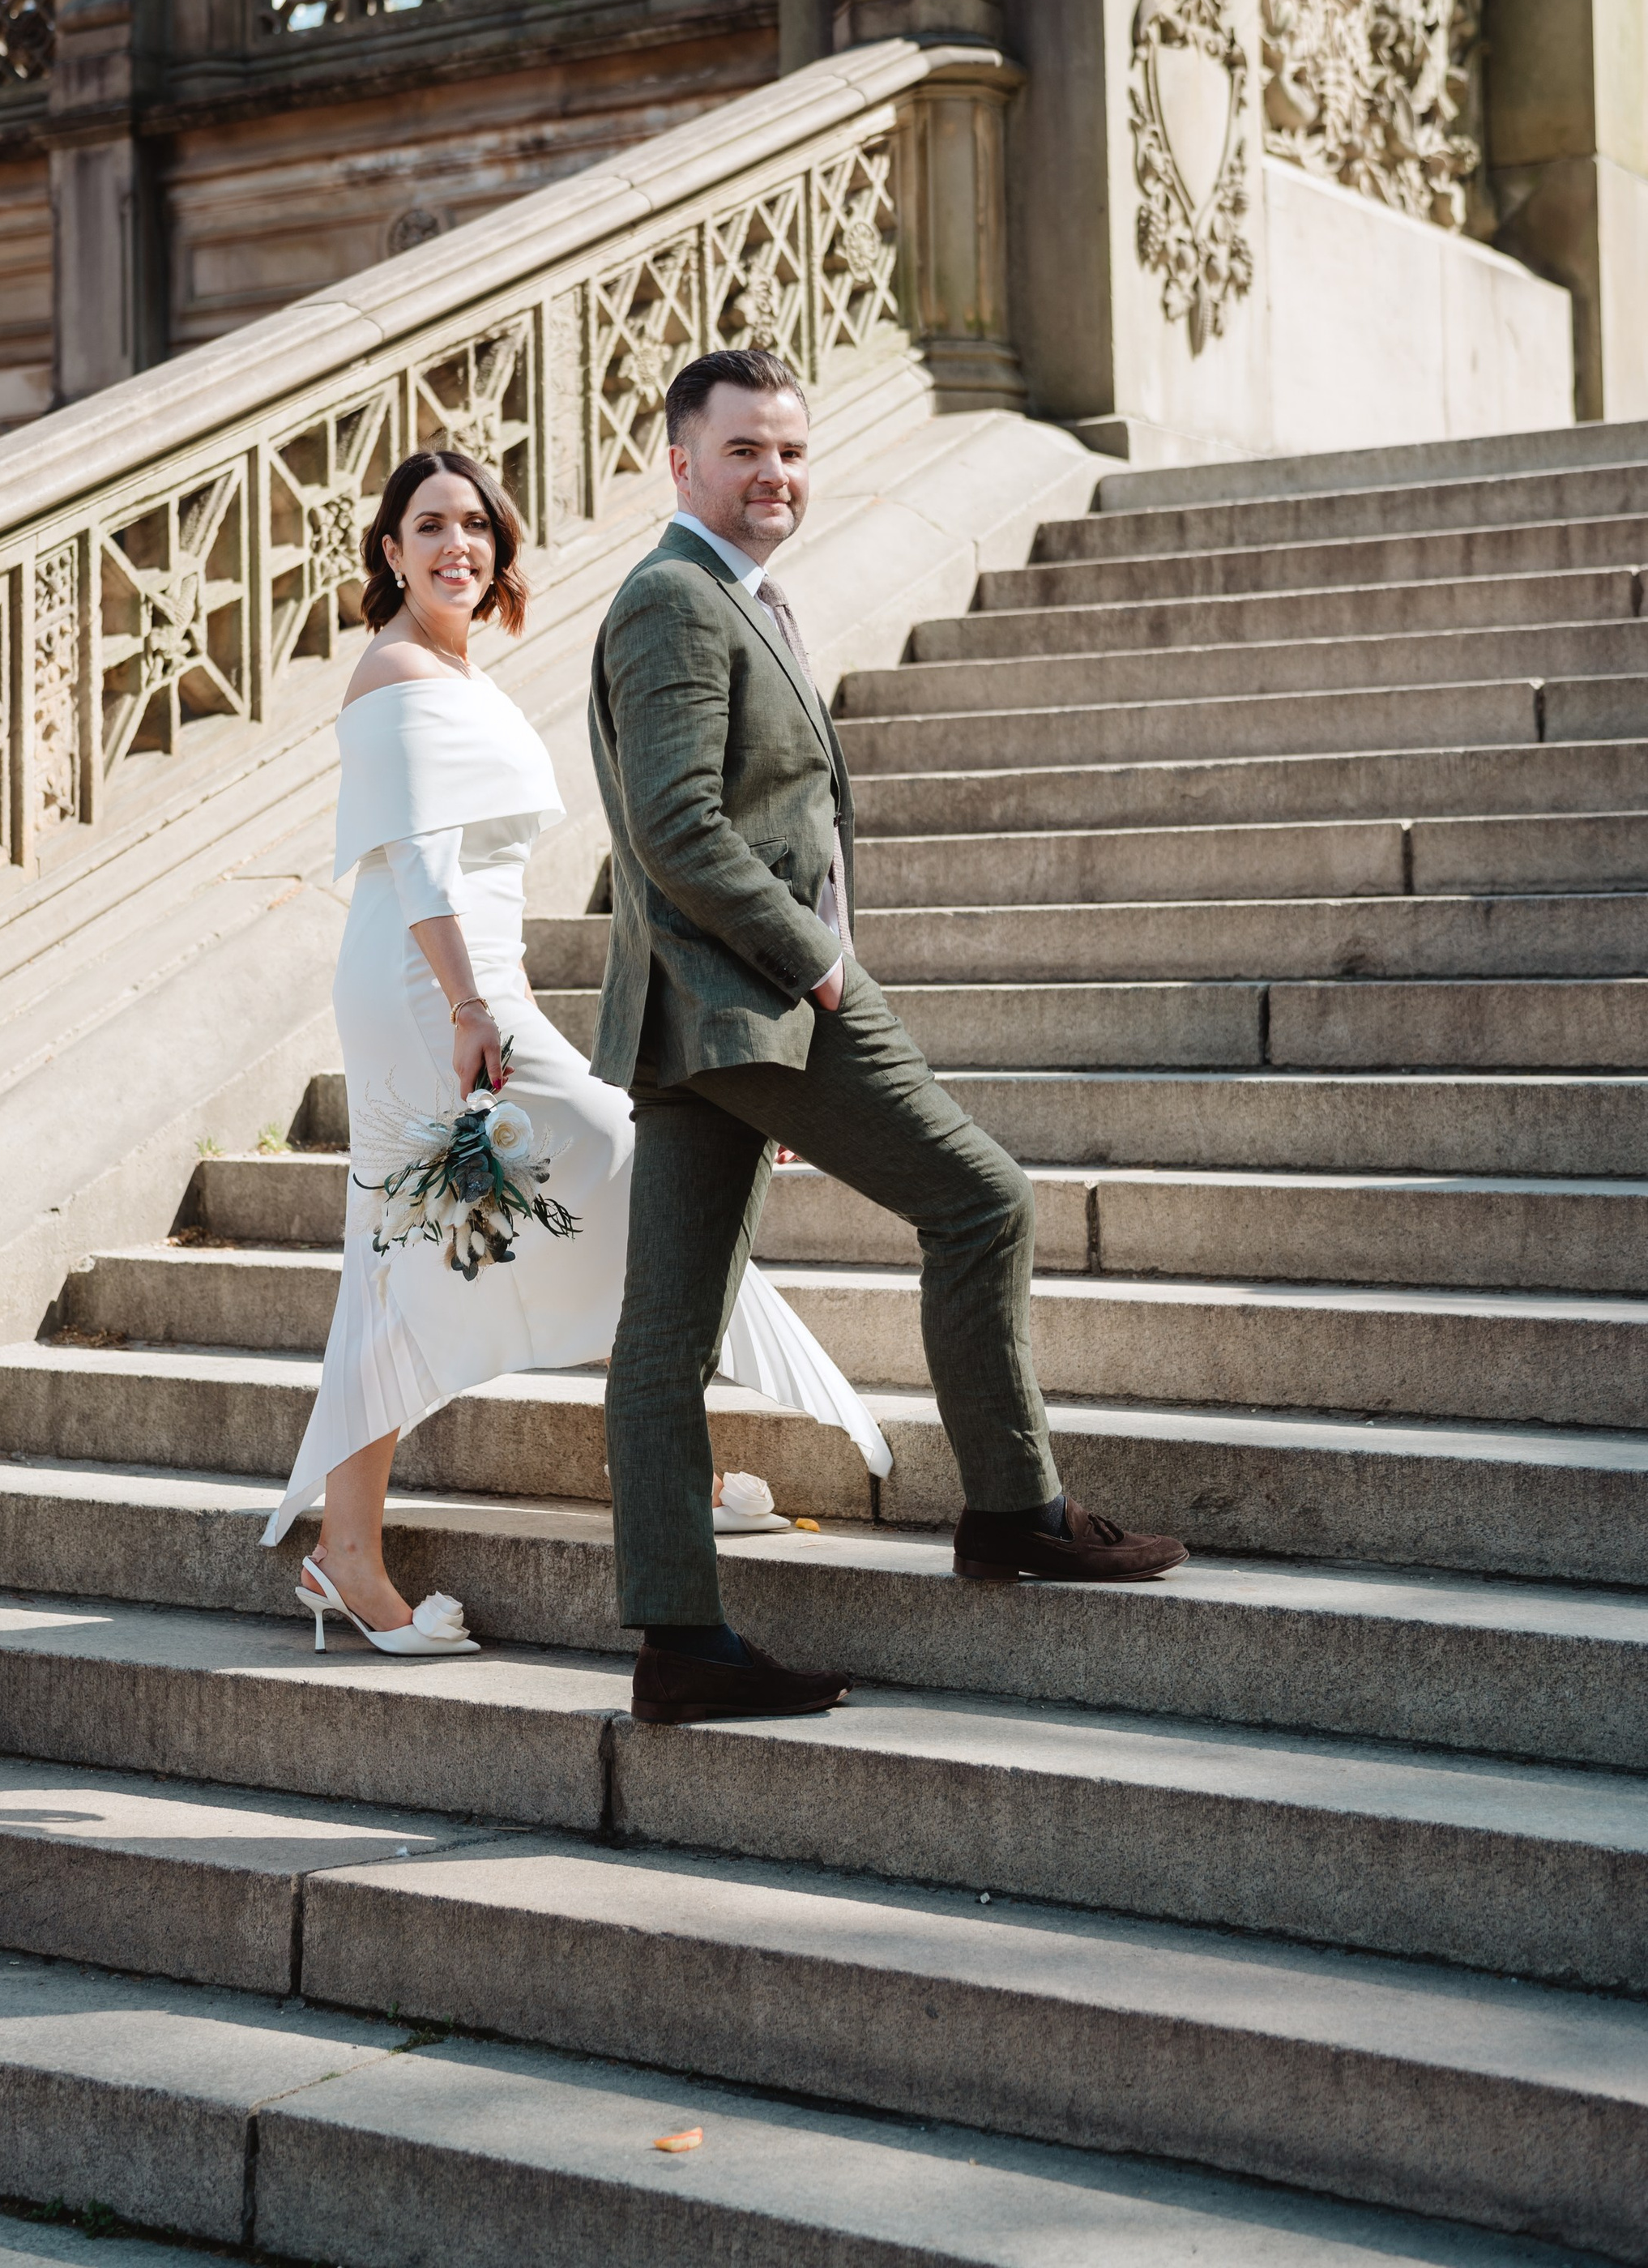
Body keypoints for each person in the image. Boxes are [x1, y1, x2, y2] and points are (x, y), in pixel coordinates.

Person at [588, 347, 1189, 1731]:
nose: (776, 473)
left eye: (791, 450)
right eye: (745, 450)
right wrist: (818, 973)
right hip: (760, 1001)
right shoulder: (677, 602)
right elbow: (679, 830)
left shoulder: (730, 596)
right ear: (679, 463)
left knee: (667, 1333)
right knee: (983, 1199)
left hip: (713, 1022)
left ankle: (680, 1639)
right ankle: (1015, 1508)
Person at [263, 442, 890, 1655]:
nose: (458, 546)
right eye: (431, 526)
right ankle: (361, 1550)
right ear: (388, 551)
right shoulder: (395, 669)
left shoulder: (451, 670)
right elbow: (417, 857)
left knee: (476, 1231)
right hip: (427, 986)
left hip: (471, 981)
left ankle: (644, 1475)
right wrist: (465, 1007)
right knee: (573, 1189)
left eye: (478, 528)